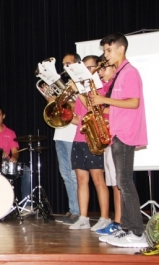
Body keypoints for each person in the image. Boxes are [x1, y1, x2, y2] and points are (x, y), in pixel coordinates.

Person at [90, 32, 148, 248]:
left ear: (121, 49)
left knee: (124, 182)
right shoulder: (119, 75)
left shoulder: (130, 72)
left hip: (125, 133)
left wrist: (103, 99)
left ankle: (137, 232)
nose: (106, 55)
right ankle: (126, 229)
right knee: (122, 183)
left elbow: (133, 103)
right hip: (118, 132)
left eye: (108, 50)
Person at [68, 55, 110, 230]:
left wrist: (78, 91)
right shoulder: (81, 92)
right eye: (83, 68)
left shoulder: (102, 87)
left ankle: (105, 217)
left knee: (98, 179)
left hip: (94, 138)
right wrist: (64, 114)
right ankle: (83, 217)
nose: (86, 71)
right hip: (79, 138)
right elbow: (79, 119)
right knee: (81, 179)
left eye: (90, 67)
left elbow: (94, 107)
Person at [43, 53, 80, 225]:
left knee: (74, 175)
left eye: (68, 64)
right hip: (60, 135)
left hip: (74, 135)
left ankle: (79, 212)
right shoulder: (63, 86)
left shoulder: (80, 84)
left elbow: (78, 109)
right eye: (63, 64)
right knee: (65, 175)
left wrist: (61, 99)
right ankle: (73, 210)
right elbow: (53, 108)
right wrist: (48, 96)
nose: (65, 67)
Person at [94, 57, 122, 236]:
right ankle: (117, 221)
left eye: (104, 69)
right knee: (113, 184)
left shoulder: (115, 87)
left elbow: (118, 109)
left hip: (116, 138)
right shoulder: (105, 88)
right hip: (107, 139)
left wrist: (99, 106)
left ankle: (120, 222)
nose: (101, 73)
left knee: (119, 184)